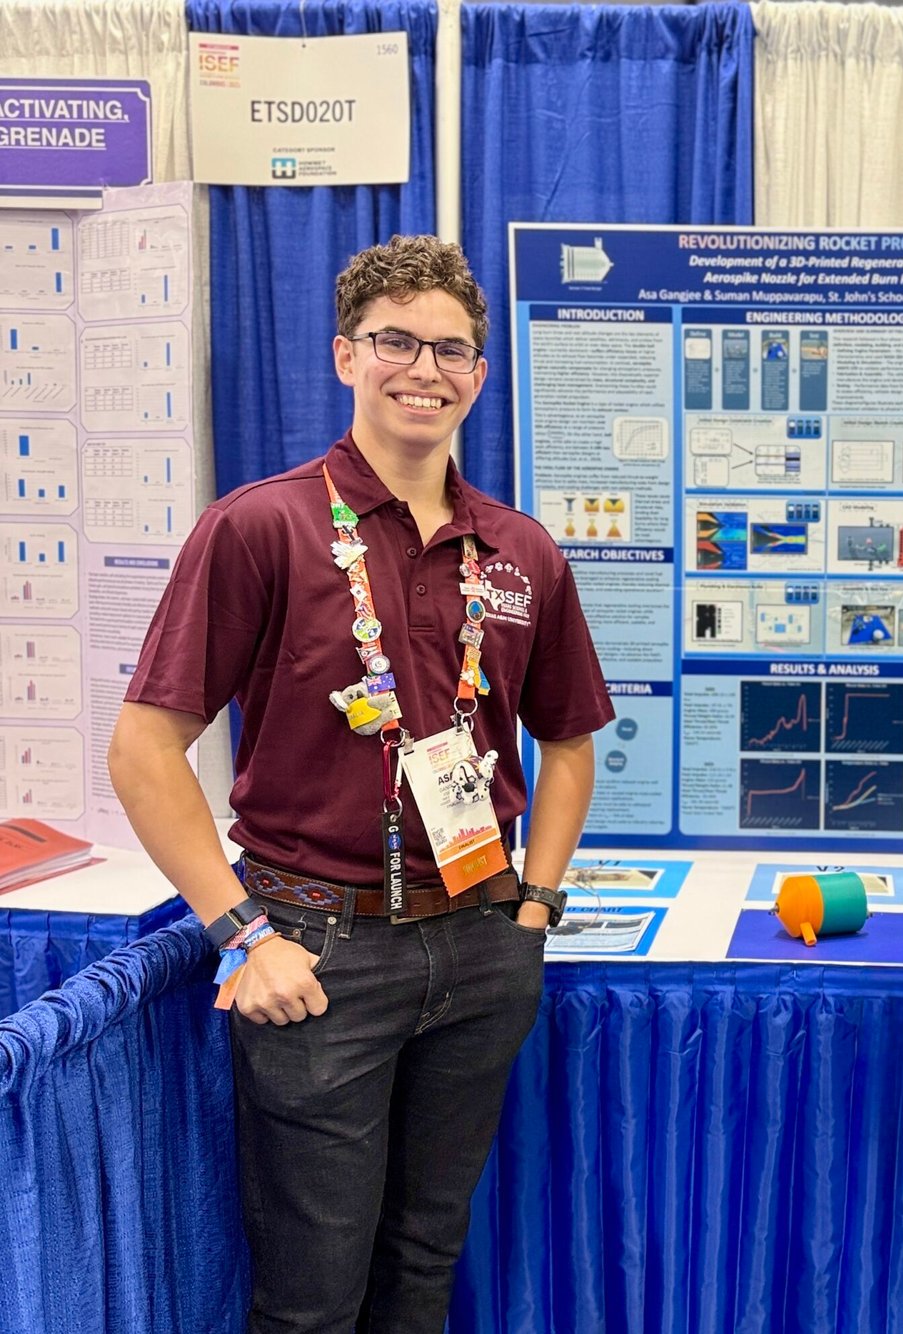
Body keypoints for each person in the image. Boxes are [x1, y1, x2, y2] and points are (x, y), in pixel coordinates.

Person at [108, 234, 614, 1333]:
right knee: (312, 1297)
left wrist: (534, 906)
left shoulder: (519, 550)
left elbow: (570, 743)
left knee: (424, 1263)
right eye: (396, 342)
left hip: (481, 944)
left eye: (451, 349)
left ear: (479, 374)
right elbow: (144, 749)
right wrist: (243, 934)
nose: (424, 369)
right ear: (346, 356)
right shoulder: (261, 527)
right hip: (316, 956)